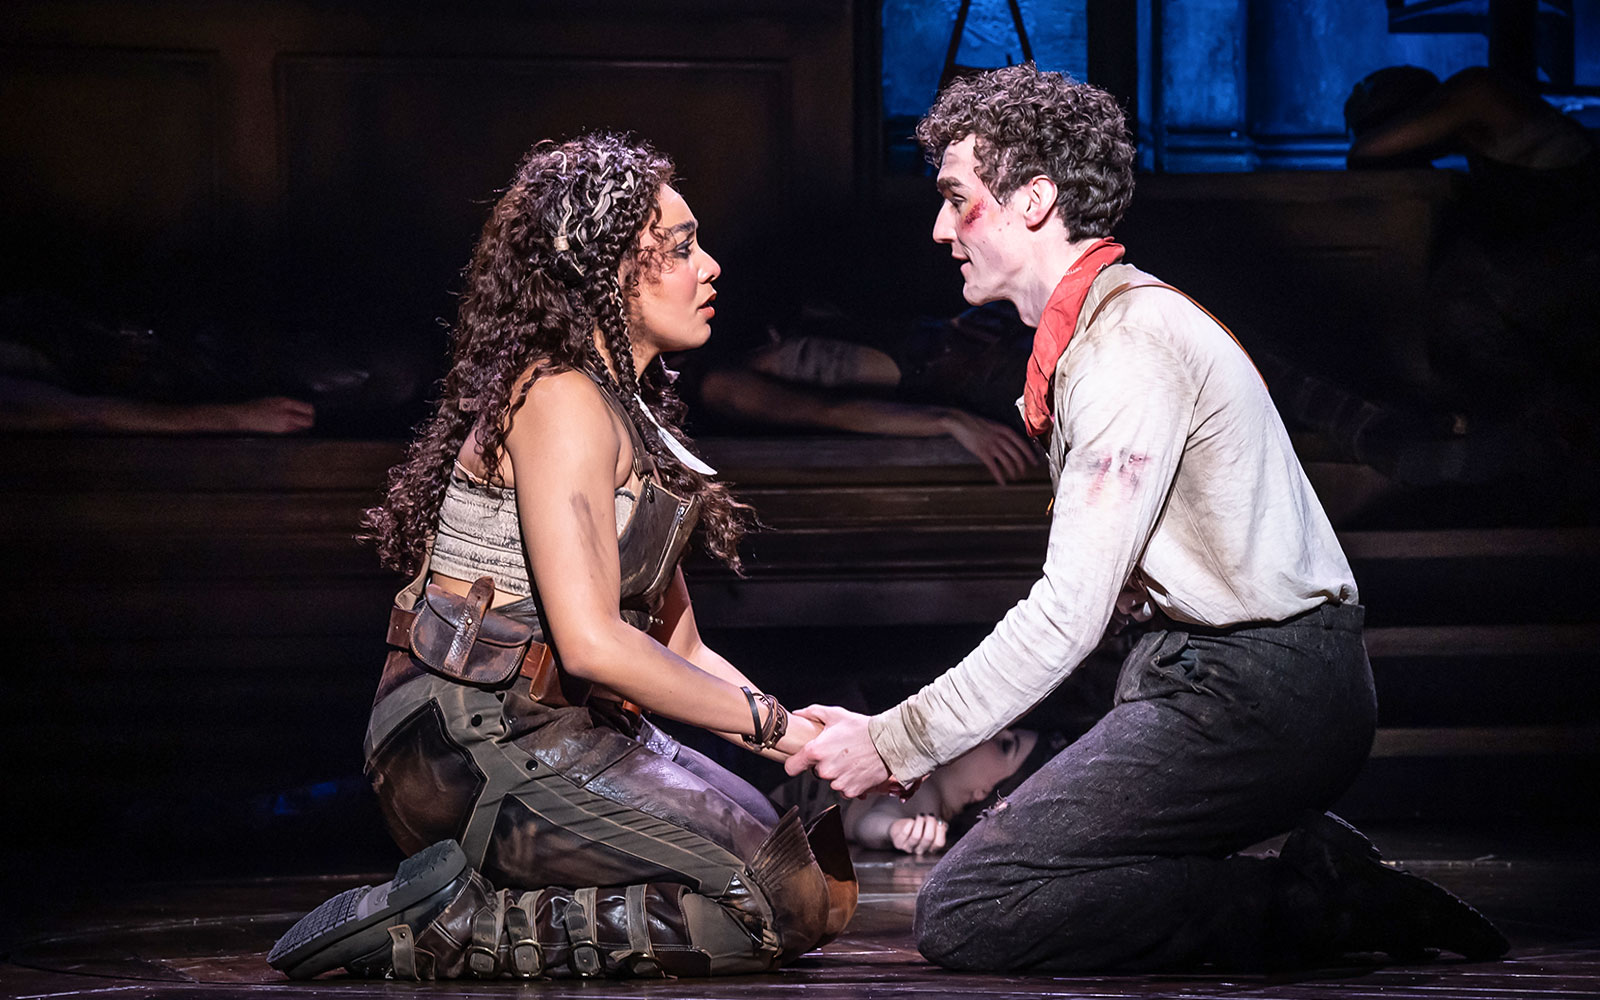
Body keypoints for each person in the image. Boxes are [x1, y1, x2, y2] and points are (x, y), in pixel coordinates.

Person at [786, 65, 1509, 972]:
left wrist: (894, 741)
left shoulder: (1126, 347)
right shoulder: (1101, 333)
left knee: (970, 909)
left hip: (1262, 691)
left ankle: (1324, 901)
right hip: (1205, 675)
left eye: (956, 200)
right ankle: (1313, 883)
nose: (939, 228)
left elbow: (1064, 614)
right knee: (1022, 885)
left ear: (1036, 200)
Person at [268, 134, 855, 982]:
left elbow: (679, 649)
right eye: (683, 247)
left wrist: (803, 740)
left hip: (565, 727)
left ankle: (466, 914)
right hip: (468, 741)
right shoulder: (561, 397)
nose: (712, 266)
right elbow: (591, 645)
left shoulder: (623, 409)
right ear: (606, 268)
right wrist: (774, 727)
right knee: (776, 896)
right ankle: (450, 925)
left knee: (810, 884)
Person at [691, 301, 1040, 484]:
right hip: (947, 384)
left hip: (952, 349)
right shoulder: (715, 386)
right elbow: (829, 412)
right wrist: (951, 421)